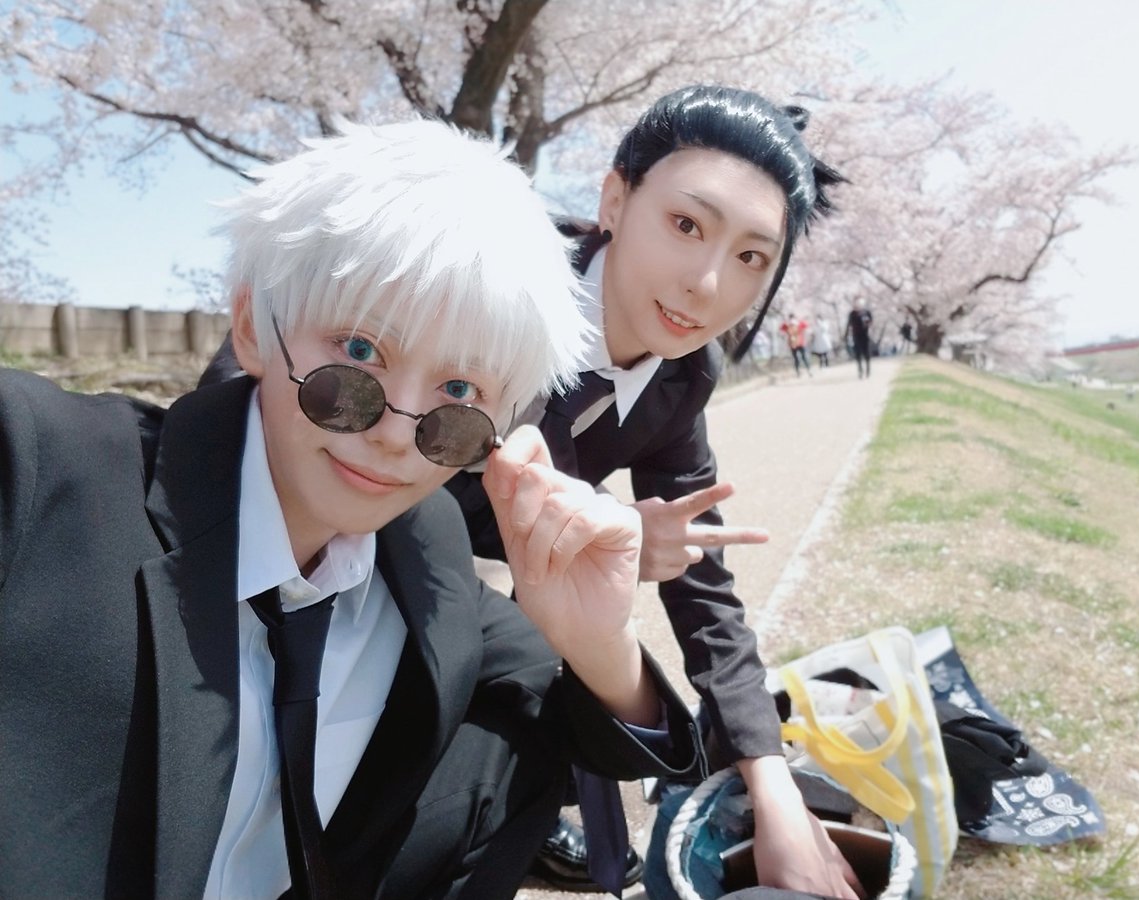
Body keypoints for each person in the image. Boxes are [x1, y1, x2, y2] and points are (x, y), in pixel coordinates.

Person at [0, 120, 704, 900]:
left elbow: (588, 724)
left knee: (510, 747)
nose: (397, 434)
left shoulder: (421, 545)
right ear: (253, 328)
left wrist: (601, 639)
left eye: (458, 394)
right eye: (360, 354)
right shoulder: (38, 468)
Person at [447, 85, 862, 899]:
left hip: (468, 570)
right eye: (685, 224)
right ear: (614, 199)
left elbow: (701, 576)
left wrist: (771, 778)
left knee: (587, 647)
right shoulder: (493, 289)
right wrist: (602, 528)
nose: (707, 283)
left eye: (751, 257)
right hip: (328, 539)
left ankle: (525, 808)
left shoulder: (685, 373)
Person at [845, 298, 874, 378]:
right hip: (856, 335)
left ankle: (868, 369)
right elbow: (849, 324)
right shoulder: (852, 314)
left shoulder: (866, 312)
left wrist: (867, 324)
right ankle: (860, 370)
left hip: (865, 335)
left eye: (859, 304)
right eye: (856, 304)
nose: (857, 305)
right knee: (858, 353)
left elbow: (871, 322)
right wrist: (846, 334)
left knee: (866, 353)